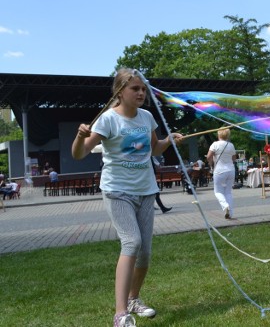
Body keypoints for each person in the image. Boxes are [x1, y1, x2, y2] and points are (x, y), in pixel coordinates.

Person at [71, 68, 183, 327]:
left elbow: (154, 148)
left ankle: (134, 299)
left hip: (146, 191)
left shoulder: (146, 117)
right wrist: (79, 137)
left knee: (144, 253)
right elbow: (79, 154)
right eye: (135, 88)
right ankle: (120, 314)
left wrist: (168, 140)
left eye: (143, 89)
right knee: (131, 242)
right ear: (120, 92)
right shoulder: (108, 120)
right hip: (117, 191)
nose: (141, 93)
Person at [207, 127, 237, 220]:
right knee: (228, 192)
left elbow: (209, 157)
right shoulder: (231, 145)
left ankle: (225, 206)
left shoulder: (215, 144)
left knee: (218, 191)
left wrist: (211, 164)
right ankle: (230, 213)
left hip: (219, 170)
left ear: (218, 134)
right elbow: (234, 158)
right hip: (231, 170)